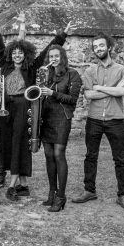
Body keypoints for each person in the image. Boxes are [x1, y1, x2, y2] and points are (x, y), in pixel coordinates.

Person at [0, 12, 66, 201]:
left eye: (20, 52)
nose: (17, 54)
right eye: (14, 52)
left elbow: (46, 51)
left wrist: (61, 36)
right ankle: (23, 185)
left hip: (24, 106)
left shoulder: (30, 66)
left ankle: (11, 185)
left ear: (25, 54)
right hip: (5, 108)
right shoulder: (4, 63)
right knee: (10, 144)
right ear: (10, 54)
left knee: (19, 143)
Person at [72, 35, 124, 210]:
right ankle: (89, 190)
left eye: (101, 45)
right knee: (90, 156)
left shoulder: (123, 70)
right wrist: (112, 90)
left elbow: (123, 92)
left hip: (115, 119)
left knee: (120, 159)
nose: (98, 48)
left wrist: (99, 87)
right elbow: (89, 95)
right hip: (95, 119)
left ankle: (122, 195)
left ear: (109, 47)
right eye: (95, 47)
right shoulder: (90, 71)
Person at [38, 42, 81, 212]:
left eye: (56, 56)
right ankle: (51, 193)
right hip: (46, 117)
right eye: (51, 57)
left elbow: (73, 99)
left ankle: (61, 196)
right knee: (48, 155)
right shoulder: (46, 73)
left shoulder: (73, 74)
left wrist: (52, 93)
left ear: (62, 57)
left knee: (58, 154)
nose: (53, 59)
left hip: (62, 117)